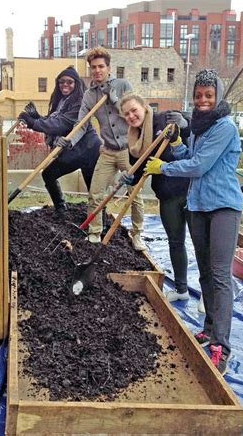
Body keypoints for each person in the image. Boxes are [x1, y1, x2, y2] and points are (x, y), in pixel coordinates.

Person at [143, 69, 243, 375]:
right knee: (205, 273)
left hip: (223, 207)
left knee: (220, 276)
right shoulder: (200, 128)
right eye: (198, 95)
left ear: (218, 97)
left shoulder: (224, 127)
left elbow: (199, 166)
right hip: (198, 206)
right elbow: (190, 154)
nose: (202, 100)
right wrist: (175, 145)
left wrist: (163, 168)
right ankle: (209, 328)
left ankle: (221, 347)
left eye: (208, 96)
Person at [58, 47, 145, 250]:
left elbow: (134, 116)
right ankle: (95, 232)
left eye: (101, 66)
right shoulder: (89, 96)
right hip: (107, 151)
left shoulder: (123, 86)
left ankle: (137, 233)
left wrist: (114, 99)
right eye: (93, 67)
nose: (97, 71)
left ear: (108, 67)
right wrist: (69, 141)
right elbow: (82, 124)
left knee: (135, 194)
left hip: (128, 150)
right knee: (96, 193)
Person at [118, 93, 191, 302]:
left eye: (134, 110)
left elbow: (194, 127)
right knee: (176, 242)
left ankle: (209, 295)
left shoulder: (165, 119)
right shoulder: (134, 140)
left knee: (202, 244)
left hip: (189, 191)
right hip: (167, 195)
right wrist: (130, 178)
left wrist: (184, 123)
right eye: (127, 114)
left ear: (144, 107)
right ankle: (181, 288)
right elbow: (140, 169)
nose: (132, 116)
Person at [18, 66, 101, 217]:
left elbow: (60, 124)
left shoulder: (80, 103)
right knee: (49, 174)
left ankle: (100, 221)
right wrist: (36, 117)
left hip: (88, 149)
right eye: (61, 82)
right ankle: (61, 209)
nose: (65, 85)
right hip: (73, 148)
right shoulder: (62, 101)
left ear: (76, 84)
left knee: (92, 187)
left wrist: (32, 123)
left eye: (69, 82)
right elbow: (53, 120)